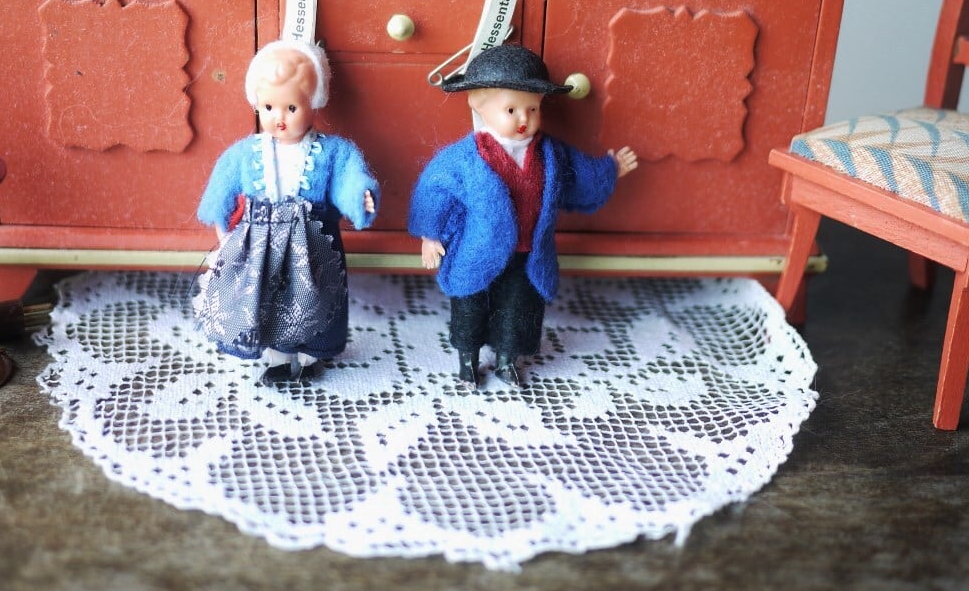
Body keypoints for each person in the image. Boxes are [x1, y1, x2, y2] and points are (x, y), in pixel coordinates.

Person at [409, 43, 637, 390]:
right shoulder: (465, 158)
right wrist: (431, 235)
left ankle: (506, 360)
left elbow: (578, 176)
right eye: (511, 109)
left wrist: (609, 170)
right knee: (470, 306)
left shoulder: (550, 153)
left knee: (518, 310)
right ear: (478, 105)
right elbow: (435, 189)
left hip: (528, 253)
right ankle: (468, 361)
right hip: (476, 250)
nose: (523, 119)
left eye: (532, 108)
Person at [194, 39, 378, 384]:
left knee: (316, 296)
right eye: (268, 107)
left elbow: (348, 178)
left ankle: (311, 356)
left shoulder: (333, 152)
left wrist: (360, 196)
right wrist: (224, 234)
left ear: (314, 103)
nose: (279, 118)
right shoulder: (245, 153)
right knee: (270, 298)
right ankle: (278, 357)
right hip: (262, 246)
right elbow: (222, 191)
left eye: (291, 107)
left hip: (314, 243)